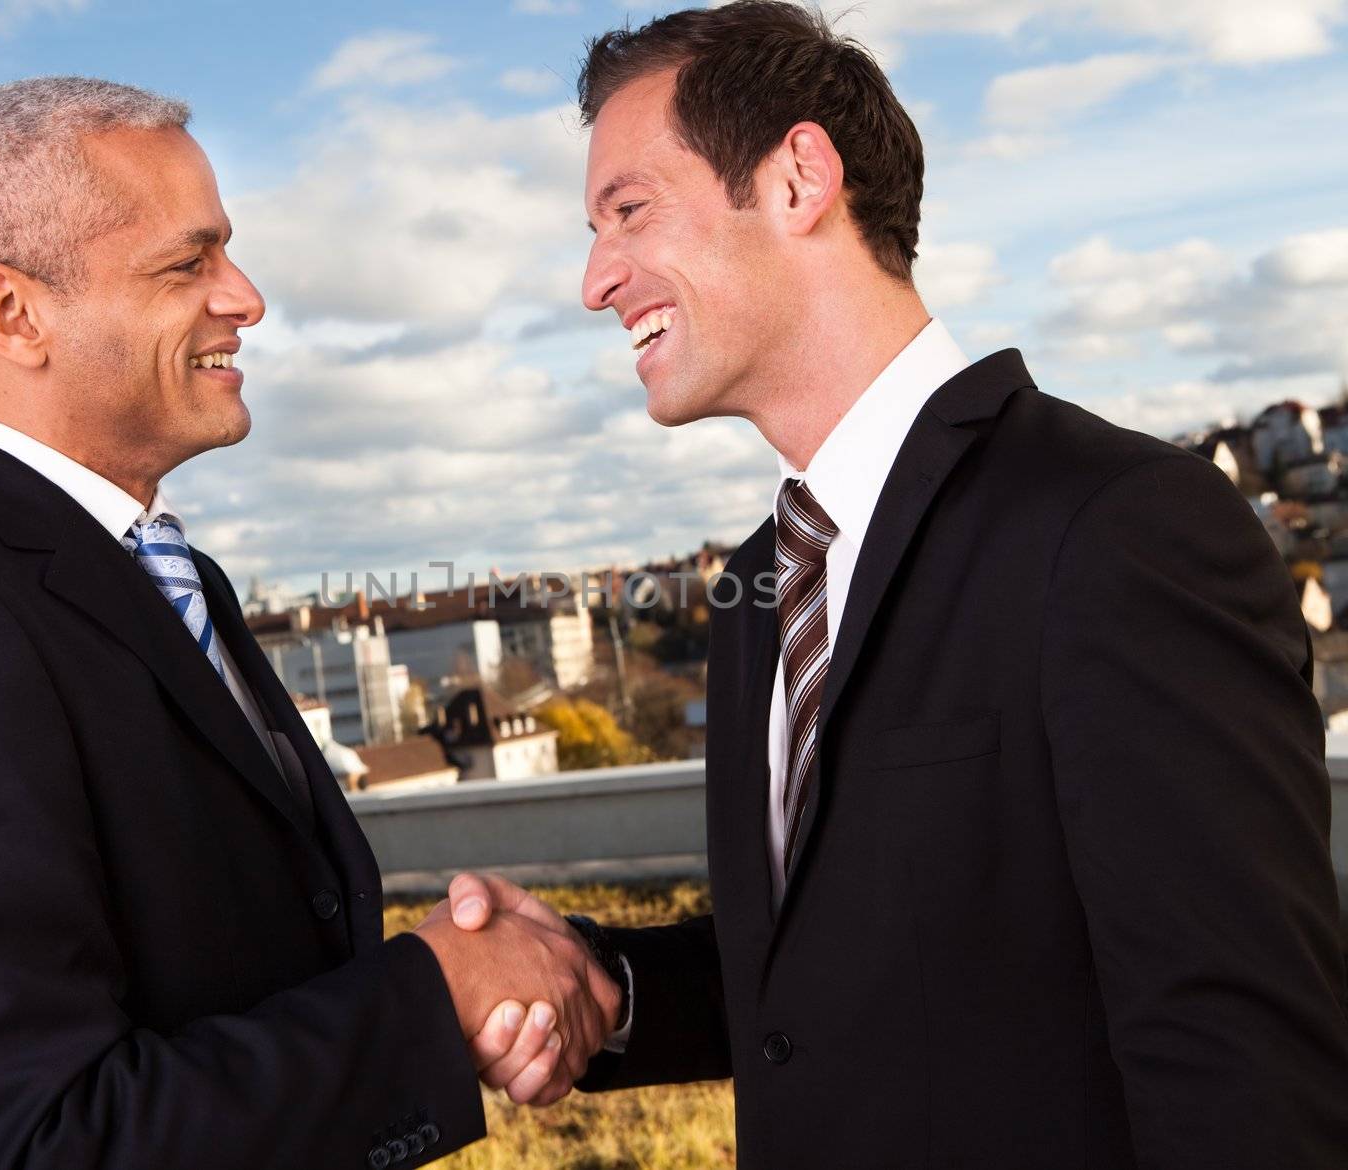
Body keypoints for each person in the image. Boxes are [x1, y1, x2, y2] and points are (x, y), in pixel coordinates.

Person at [461, 4, 1348, 1167]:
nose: (593, 279)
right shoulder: (757, 589)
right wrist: (603, 987)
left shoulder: (1117, 526)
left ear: (798, 180)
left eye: (627, 211)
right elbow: (833, 990)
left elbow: (1241, 1067)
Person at [0, 77, 616, 1170]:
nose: (247, 297)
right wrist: (431, 999)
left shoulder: (171, 577)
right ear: (11, 313)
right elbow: (26, 1144)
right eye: (188, 262)